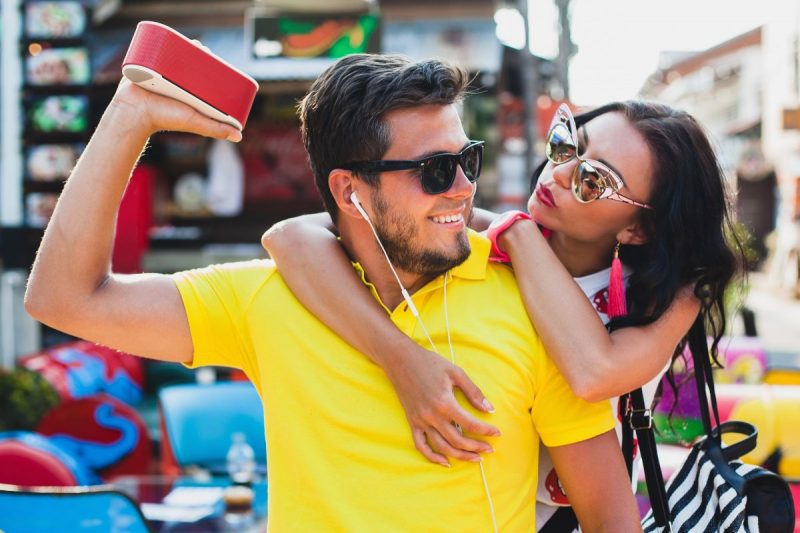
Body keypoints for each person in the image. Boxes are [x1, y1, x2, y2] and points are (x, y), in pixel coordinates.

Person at [25, 53, 641, 531]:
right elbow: (63, 299)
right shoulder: (270, 298)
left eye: (467, 160)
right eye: (433, 170)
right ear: (350, 192)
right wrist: (129, 116)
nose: (460, 189)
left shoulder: (532, 305)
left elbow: (610, 517)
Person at [261, 100, 744, 529]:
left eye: (592, 180)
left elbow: (595, 372)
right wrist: (400, 358)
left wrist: (516, 234)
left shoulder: (671, 296)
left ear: (639, 227)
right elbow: (289, 237)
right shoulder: (480, 233)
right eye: (566, 143)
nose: (557, 173)